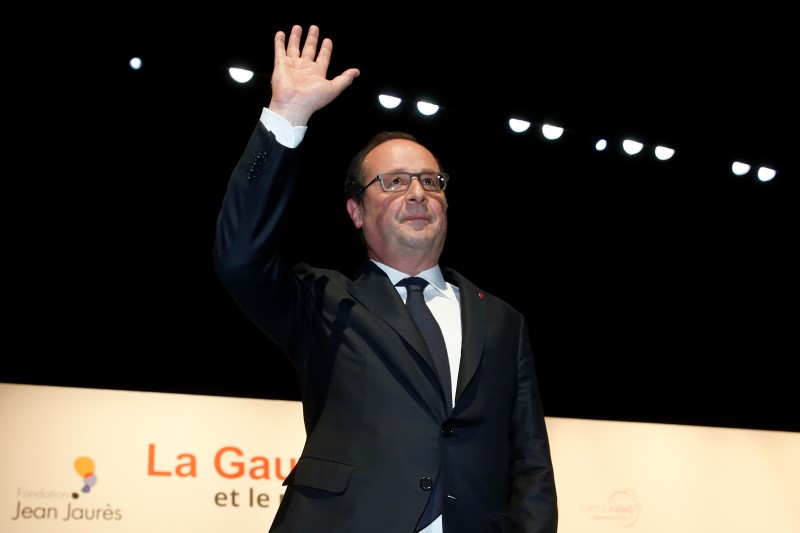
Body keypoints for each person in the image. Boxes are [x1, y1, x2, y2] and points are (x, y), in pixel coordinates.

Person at [212, 24, 558, 533]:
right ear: (356, 210)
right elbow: (238, 257)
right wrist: (287, 118)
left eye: (430, 181)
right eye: (394, 182)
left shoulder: (503, 320)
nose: (417, 193)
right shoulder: (323, 302)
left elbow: (531, 464)